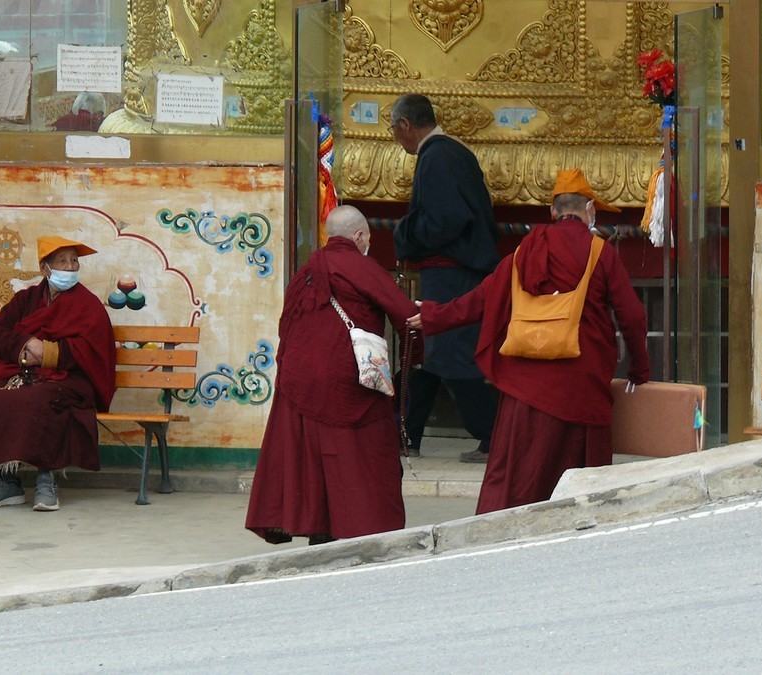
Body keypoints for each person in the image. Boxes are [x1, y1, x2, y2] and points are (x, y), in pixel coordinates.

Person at [408, 168, 652, 514]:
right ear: (591, 212)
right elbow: (632, 316)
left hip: (525, 388)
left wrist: (434, 315)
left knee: (517, 478)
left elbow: (481, 299)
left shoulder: (525, 252)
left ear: (552, 211)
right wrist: (639, 371)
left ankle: (502, 534)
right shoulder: (601, 253)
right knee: (580, 486)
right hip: (579, 387)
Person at [246, 205, 419, 545]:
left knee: (311, 460)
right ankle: (361, 527)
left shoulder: (307, 269)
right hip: (346, 381)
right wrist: (418, 348)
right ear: (358, 236)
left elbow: (287, 323)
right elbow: (405, 314)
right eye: (367, 238)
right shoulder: (361, 266)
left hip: (299, 379)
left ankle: (319, 526)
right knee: (362, 454)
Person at [0, 236, 116, 512]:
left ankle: (46, 480)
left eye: (74, 261)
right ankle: (5, 480)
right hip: (21, 370)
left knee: (42, 399)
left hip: (69, 377)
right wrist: (25, 346)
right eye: (62, 261)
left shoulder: (87, 304)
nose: (70, 268)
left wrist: (48, 352)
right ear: (46, 269)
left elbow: (94, 348)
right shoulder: (27, 299)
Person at [390, 92, 499, 464]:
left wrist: (405, 234)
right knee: (428, 355)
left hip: (452, 274)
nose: (395, 137)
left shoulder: (437, 156)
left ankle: (495, 434)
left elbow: (445, 221)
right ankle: (405, 434)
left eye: (394, 129)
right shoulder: (449, 153)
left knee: (450, 354)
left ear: (405, 124)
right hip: (451, 272)